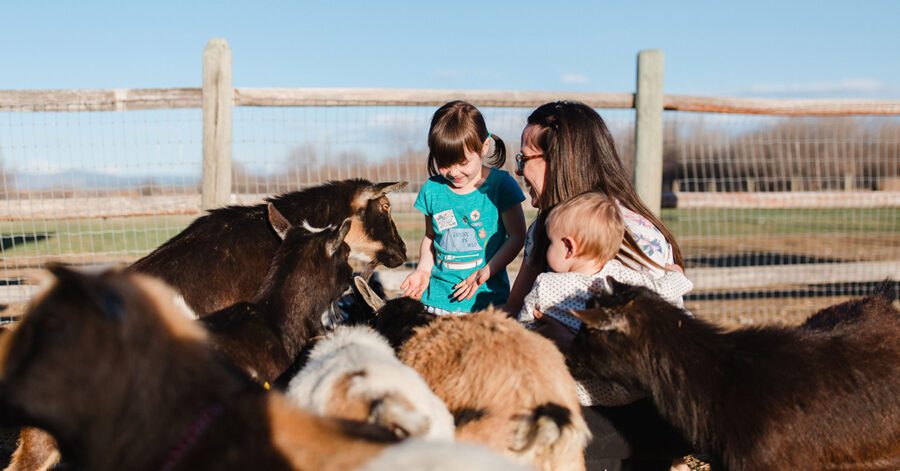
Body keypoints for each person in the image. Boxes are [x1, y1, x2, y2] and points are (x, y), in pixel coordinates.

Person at [506, 101, 693, 470]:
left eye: (524, 159)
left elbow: (667, 341)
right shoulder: (546, 229)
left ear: (559, 160)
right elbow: (514, 312)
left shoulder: (630, 233)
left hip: (635, 407)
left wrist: (573, 344)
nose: (518, 171)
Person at [400, 100, 526, 315]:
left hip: (487, 302)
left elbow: (517, 236)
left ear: (484, 147)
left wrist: (488, 270)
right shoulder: (432, 190)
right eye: (445, 163)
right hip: (437, 302)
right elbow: (431, 236)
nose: (454, 172)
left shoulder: (501, 186)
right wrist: (423, 270)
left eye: (463, 162)